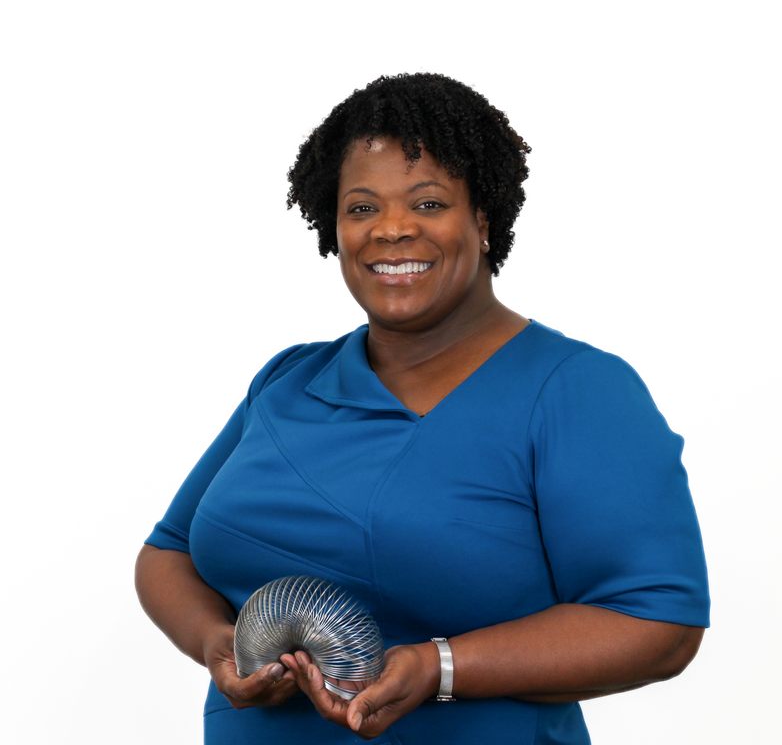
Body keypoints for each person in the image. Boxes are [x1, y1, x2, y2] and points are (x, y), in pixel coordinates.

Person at [135, 72, 710, 744]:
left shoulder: (576, 391)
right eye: (361, 208)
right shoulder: (289, 381)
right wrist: (217, 643)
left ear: (484, 218)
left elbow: (658, 623)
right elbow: (168, 554)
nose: (392, 230)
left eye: (429, 203)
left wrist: (439, 667)